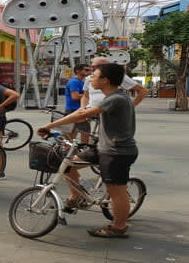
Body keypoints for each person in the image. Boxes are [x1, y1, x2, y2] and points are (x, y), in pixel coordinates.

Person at [38, 63, 138, 238]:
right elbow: (83, 113)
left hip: (117, 152)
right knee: (68, 165)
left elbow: (81, 115)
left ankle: (119, 227)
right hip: (103, 148)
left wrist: (50, 125)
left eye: (94, 75)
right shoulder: (111, 97)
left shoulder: (116, 98)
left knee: (117, 192)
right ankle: (78, 196)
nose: (90, 78)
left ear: (105, 80)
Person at [81, 57, 147, 109]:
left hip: (111, 113)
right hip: (92, 116)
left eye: (95, 67)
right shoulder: (89, 78)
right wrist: (83, 109)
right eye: (91, 66)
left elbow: (143, 90)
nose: (92, 69)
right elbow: (85, 96)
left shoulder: (118, 76)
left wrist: (132, 106)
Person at [64, 64, 91, 143]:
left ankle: (71, 152)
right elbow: (75, 96)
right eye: (86, 70)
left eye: (89, 70)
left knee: (72, 135)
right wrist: (89, 95)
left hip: (77, 110)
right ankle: (84, 151)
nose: (89, 72)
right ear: (77, 71)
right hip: (75, 110)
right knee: (85, 133)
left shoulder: (81, 82)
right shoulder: (74, 82)